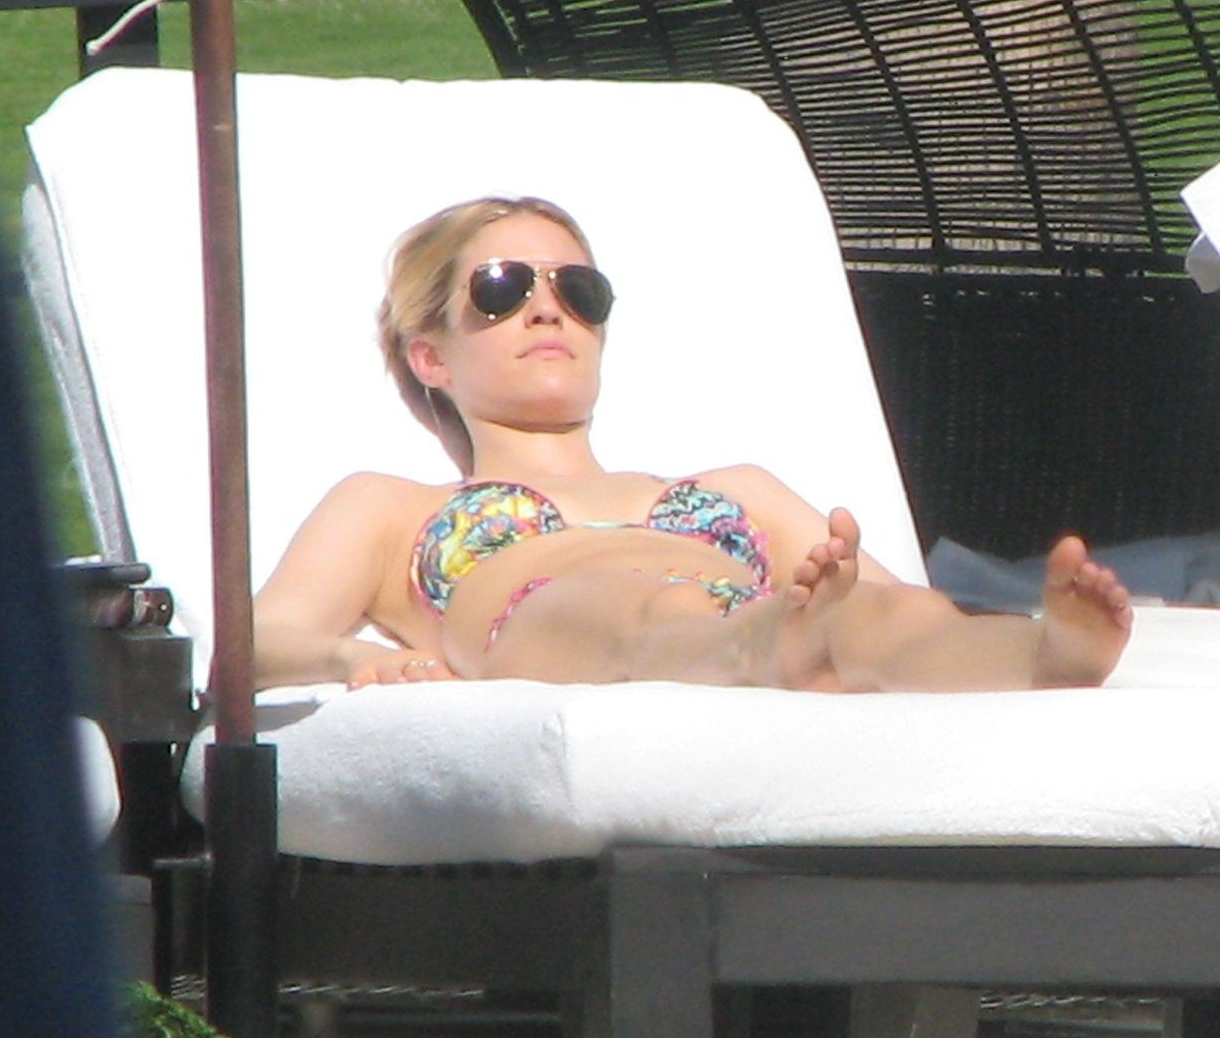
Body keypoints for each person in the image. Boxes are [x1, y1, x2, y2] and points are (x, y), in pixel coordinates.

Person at [253, 195, 1132, 695]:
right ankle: (761, 647)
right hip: (551, 619)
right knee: (650, 610)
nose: (548, 309)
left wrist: (865, 615)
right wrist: (357, 657)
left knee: (882, 611)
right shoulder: (389, 506)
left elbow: (893, 602)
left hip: (745, 610)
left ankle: (1043, 658)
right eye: (502, 288)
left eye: (578, 290)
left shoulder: (739, 486)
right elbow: (253, 644)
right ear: (431, 356)